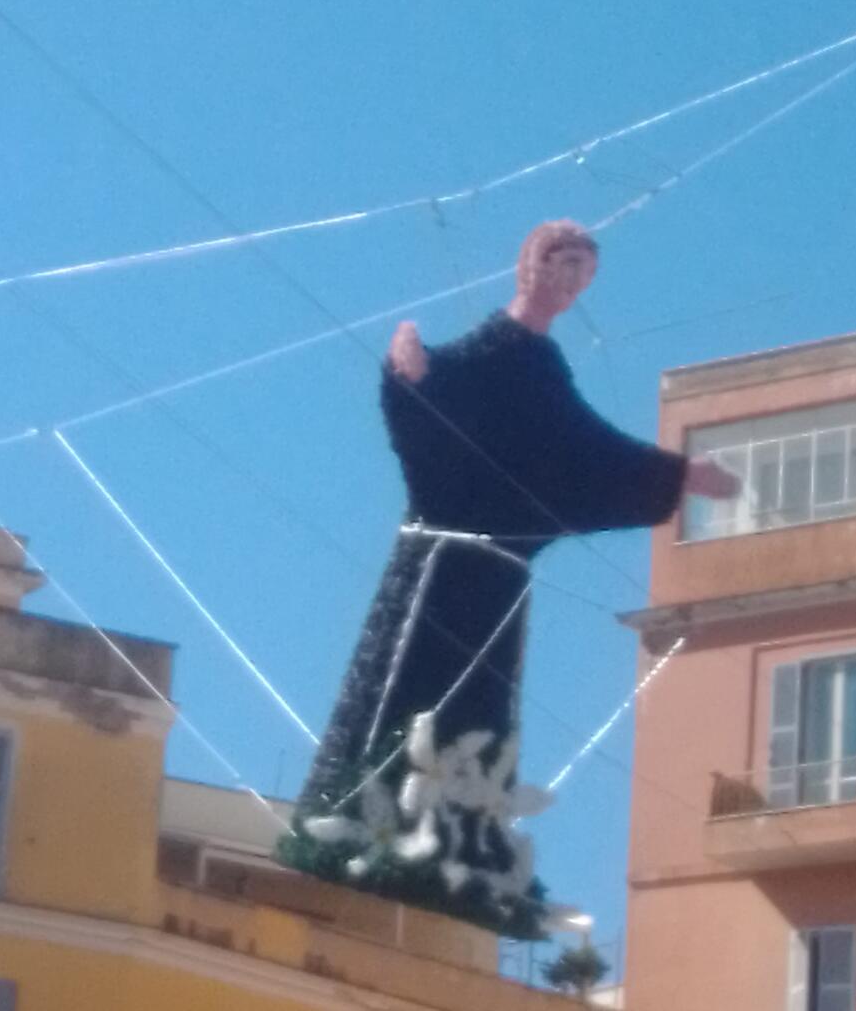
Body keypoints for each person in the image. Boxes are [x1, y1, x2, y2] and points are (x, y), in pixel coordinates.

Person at [281, 219, 739, 936]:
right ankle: (368, 819)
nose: (568, 280)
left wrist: (680, 475)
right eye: (561, 262)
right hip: (439, 565)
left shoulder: (546, 372)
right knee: (410, 690)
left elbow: (589, 453)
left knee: (475, 713)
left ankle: (459, 842)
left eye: (581, 273)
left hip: (497, 582)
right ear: (529, 263)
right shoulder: (491, 352)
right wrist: (409, 370)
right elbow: (435, 391)